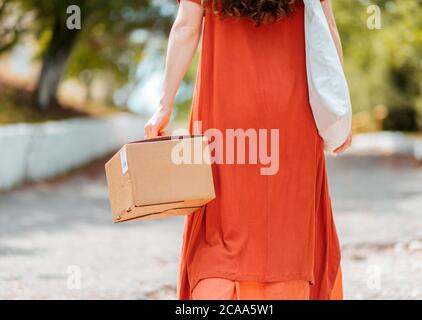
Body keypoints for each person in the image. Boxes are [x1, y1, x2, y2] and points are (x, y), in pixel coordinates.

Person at [144, 0, 352, 300]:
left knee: (220, 224)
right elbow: (328, 30)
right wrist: (340, 113)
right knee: (290, 220)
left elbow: (187, 27)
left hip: (224, 113)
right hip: (293, 114)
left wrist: (164, 106)